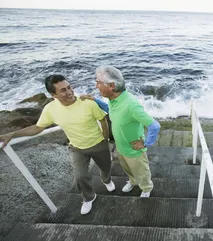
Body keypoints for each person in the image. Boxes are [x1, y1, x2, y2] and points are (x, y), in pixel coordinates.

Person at [0, 75, 115, 215]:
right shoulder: (50, 109)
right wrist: (12, 134)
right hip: (76, 148)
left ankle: (106, 180)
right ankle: (88, 197)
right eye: (63, 90)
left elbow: (103, 119)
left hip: (98, 144)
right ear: (53, 95)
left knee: (106, 167)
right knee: (80, 176)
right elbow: (37, 128)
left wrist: (106, 138)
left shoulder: (88, 103)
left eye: (69, 87)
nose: (69, 92)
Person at [93, 65, 160, 198]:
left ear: (111, 85)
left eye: (98, 82)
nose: (96, 86)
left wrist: (145, 143)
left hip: (134, 150)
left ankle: (146, 188)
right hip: (121, 148)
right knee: (128, 169)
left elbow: (154, 126)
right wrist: (95, 101)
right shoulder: (114, 100)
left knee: (141, 172)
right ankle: (133, 181)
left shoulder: (131, 105)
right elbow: (111, 110)